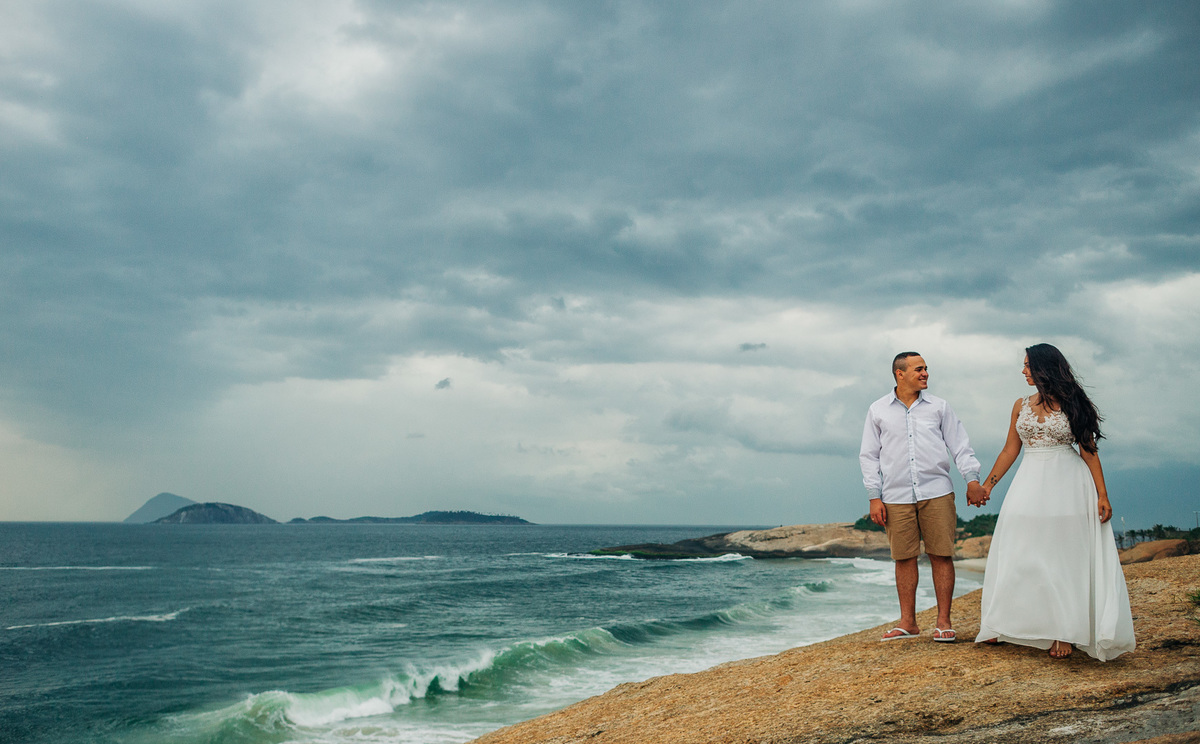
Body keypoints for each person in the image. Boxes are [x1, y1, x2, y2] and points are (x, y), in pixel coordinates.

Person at [974, 344, 1135, 660]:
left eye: (1027, 366)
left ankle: (1063, 631)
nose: (1023, 372)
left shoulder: (1074, 404)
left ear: (1044, 368)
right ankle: (1003, 623)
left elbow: (1088, 450)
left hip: (1067, 483)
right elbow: (1010, 449)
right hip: (1028, 482)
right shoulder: (1020, 405)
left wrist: (1102, 495)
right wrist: (988, 485)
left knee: (1062, 555)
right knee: (1019, 548)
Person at [860, 352, 987, 643]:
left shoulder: (940, 408)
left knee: (941, 554)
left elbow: (961, 447)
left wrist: (972, 479)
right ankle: (909, 622)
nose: (925, 373)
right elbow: (869, 456)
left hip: (937, 491)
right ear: (899, 373)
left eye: (926, 369)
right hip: (895, 494)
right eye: (919, 369)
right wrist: (873, 496)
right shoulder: (877, 410)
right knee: (903, 558)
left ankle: (943, 622)